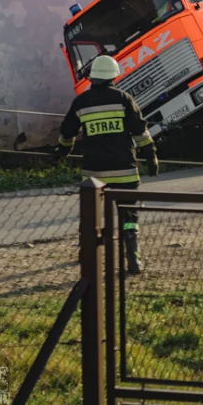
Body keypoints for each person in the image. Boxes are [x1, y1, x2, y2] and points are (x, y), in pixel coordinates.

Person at [57, 55, 158, 275]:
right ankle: (133, 260)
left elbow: (67, 132)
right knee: (129, 217)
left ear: (92, 77)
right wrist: (151, 155)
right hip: (125, 171)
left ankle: (86, 256)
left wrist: (63, 151)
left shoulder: (81, 102)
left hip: (95, 173)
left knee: (90, 216)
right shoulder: (124, 99)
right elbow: (140, 131)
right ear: (114, 76)